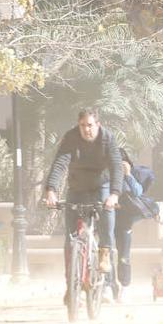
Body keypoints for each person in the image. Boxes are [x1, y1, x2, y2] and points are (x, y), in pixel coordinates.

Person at [44, 109, 122, 281]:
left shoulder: (107, 138)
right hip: (77, 187)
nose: (87, 129)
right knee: (70, 237)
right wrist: (51, 190)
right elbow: (60, 163)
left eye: (90, 125)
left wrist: (114, 194)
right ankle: (71, 282)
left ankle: (104, 255)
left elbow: (116, 166)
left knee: (107, 216)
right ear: (78, 125)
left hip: (101, 185)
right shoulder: (71, 137)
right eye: (83, 125)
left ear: (97, 124)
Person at [113, 149, 159, 302]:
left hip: (124, 220)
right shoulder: (105, 174)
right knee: (103, 252)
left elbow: (137, 192)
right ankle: (107, 286)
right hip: (106, 217)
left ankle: (124, 286)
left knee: (123, 256)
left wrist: (127, 174)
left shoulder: (129, 175)